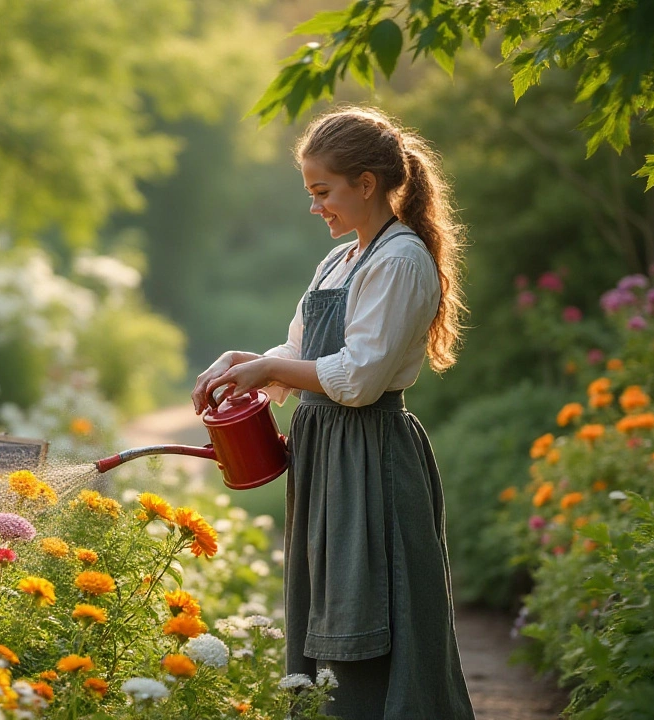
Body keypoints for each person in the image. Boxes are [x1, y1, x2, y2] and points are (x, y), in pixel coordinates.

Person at [191, 106, 476, 719]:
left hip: (370, 456)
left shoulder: (400, 260)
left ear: (365, 184)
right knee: (326, 605)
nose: (315, 206)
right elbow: (302, 350)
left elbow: (359, 377)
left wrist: (269, 372)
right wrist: (248, 359)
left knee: (370, 610)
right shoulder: (341, 260)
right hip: (327, 454)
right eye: (310, 192)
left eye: (323, 191)